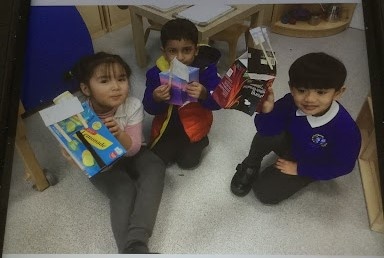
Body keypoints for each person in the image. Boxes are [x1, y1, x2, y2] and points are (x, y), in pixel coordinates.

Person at [65, 52, 165, 253]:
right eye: (104, 81)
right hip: (104, 165)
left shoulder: (132, 105)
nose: (116, 86)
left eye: (121, 79)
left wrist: (118, 134)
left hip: (131, 151)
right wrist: (72, 156)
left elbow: (134, 148)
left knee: (155, 167)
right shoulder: (77, 116)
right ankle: (130, 251)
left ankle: (136, 240)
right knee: (123, 190)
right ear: (86, 88)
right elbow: (83, 159)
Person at [230, 52, 361, 204]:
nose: (310, 99)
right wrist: (267, 111)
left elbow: (343, 166)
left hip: (311, 162)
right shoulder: (289, 102)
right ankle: (250, 165)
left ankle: (302, 177)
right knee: (270, 130)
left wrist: (300, 169)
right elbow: (265, 131)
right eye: (301, 90)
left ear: (338, 93)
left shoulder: (346, 129)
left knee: (265, 193)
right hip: (293, 144)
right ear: (292, 88)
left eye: (321, 92)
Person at [143, 18, 221, 169]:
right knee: (159, 158)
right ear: (164, 52)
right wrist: (156, 98)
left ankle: (202, 140)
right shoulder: (155, 73)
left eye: (187, 50)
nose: (180, 57)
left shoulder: (206, 70)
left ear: (196, 50)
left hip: (195, 123)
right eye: (173, 51)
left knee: (188, 162)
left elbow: (219, 101)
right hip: (167, 124)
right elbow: (148, 107)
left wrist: (205, 94)